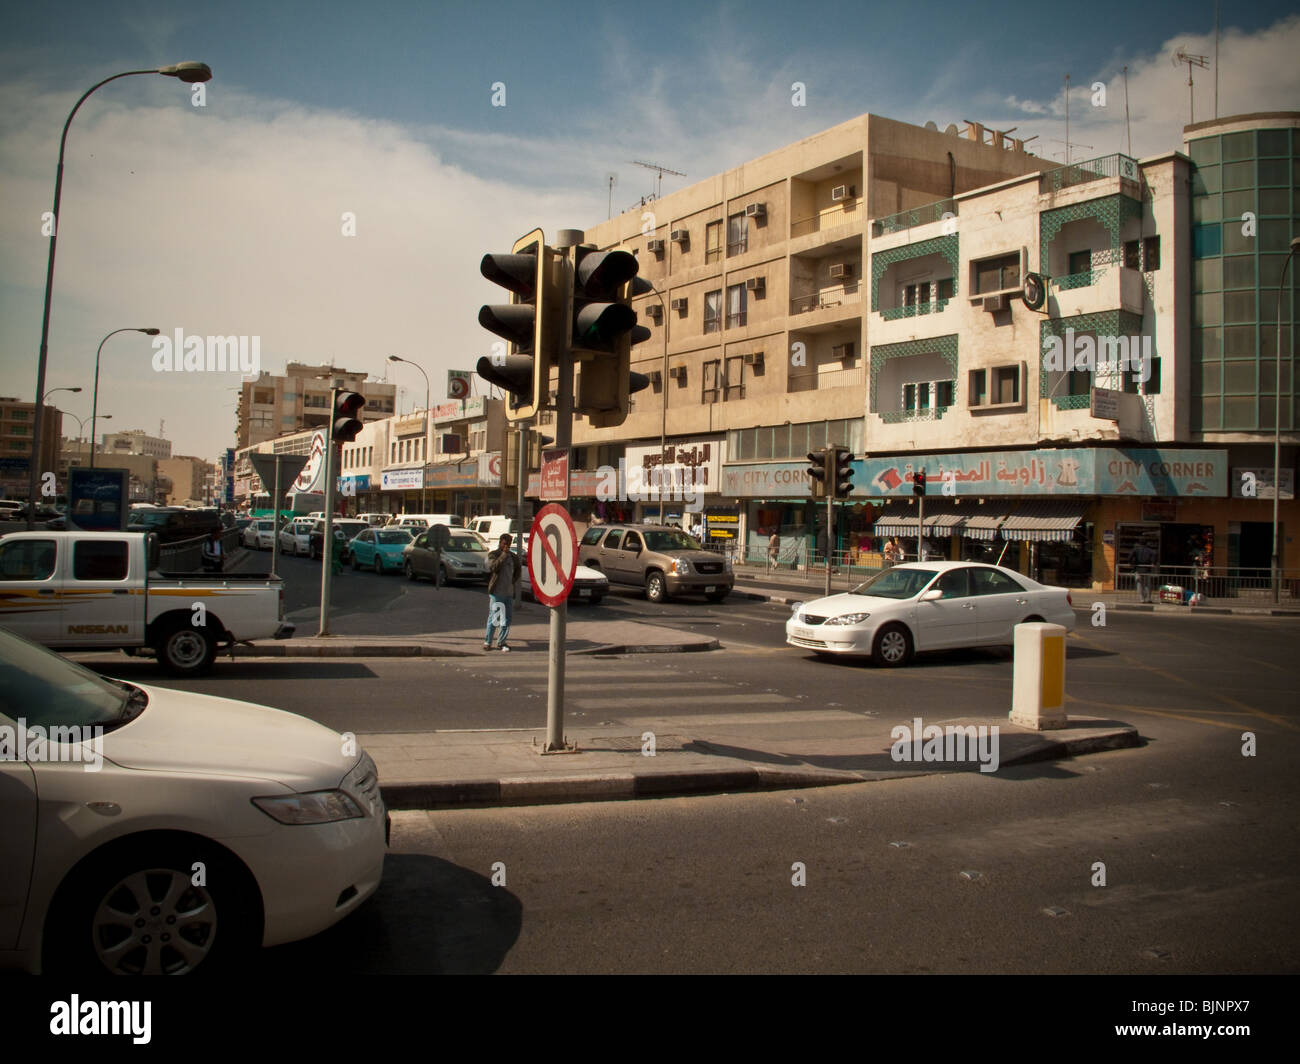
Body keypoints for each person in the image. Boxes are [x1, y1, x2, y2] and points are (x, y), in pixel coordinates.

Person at [485, 533, 522, 652]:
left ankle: (501, 642)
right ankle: (488, 642)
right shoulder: (494, 554)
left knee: (506, 618)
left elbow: (517, 571)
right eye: (504, 543)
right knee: (494, 617)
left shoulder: (514, 557)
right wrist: (503, 555)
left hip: (508, 593)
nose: (507, 546)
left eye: (509, 544)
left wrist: (511, 583)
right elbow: (493, 567)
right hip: (497, 592)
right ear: (500, 543)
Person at [1129, 538, 1157, 603]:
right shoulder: (1149, 550)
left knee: (1139, 584)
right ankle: (1148, 598)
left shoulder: (1136, 549)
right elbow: (1155, 554)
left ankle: (1142, 599)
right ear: (1146, 543)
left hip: (1138, 569)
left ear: (1139, 543)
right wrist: (1153, 562)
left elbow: (1130, 556)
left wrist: (1130, 563)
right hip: (1147, 569)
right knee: (1148, 584)